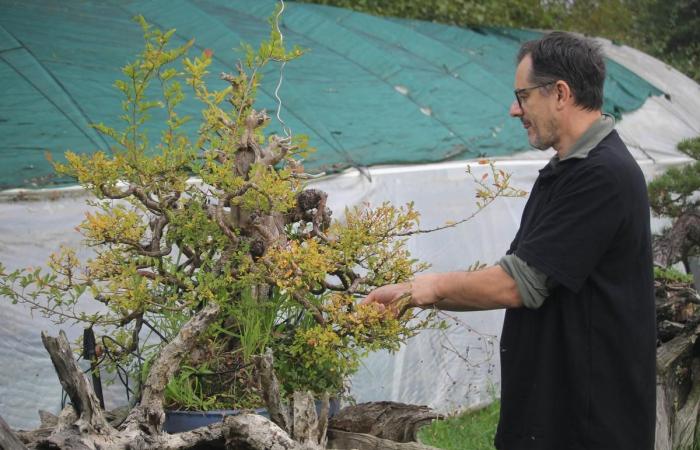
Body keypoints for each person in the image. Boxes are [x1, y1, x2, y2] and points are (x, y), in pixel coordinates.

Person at [363, 31, 656, 450]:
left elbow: (517, 283)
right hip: (554, 411)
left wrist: (420, 290)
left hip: (589, 424)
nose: (514, 109)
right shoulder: (566, 170)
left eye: (523, 96)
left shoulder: (602, 176)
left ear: (560, 93)